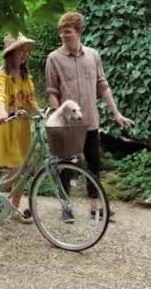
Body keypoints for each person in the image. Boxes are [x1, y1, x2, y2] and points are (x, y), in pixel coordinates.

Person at [45, 11, 134, 222]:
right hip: (67, 125)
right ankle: (66, 207)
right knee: (65, 166)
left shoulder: (93, 55)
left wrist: (116, 113)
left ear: (78, 32)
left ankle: (95, 208)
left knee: (94, 164)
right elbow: (52, 93)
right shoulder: (53, 59)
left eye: (67, 32)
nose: (63, 37)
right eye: (61, 33)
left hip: (90, 122)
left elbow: (103, 86)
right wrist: (58, 120)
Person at [0, 33, 40, 223]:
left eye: (26, 51)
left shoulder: (25, 76)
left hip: (22, 125)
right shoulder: (1, 74)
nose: (25, 54)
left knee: (23, 169)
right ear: (10, 54)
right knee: (15, 168)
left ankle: (13, 208)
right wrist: (3, 112)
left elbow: (31, 101)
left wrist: (41, 112)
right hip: (6, 124)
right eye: (21, 50)